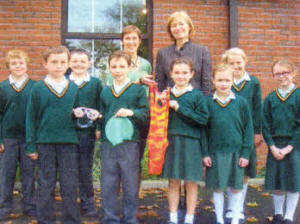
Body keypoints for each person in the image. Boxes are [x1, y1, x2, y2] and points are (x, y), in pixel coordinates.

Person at [26, 46, 82, 223]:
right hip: (45, 143)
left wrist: (77, 116)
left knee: (70, 184)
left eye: (63, 62)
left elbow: (77, 116)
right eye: (54, 62)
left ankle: (71, 219)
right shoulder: (38, 88)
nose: (59, 66)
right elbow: (31, 118)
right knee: (45, 183)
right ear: (45, 64)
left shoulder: (73, 88)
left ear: (68, 65)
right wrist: (31, 145)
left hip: (68, 143)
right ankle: (45, 219)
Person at [99, 50, 149, 224]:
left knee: (129, 182)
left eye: (122, 66)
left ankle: (130, 218)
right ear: (109, 68)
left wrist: (132, 112)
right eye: (114, 66)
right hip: (108, 143)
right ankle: (110, 217)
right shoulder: (105, 91)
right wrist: (98, 123)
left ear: (129, 68)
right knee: (108, 182)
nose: (118, 70)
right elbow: (102, 114)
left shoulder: (137, 90)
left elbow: (145, 114)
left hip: (130, 142)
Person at [203, 64, 253, 224]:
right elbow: (203, 131)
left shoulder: (241, 102)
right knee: (218, 186)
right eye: (220, 80)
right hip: (216, 152)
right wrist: (205, 153)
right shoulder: (208, 103)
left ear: (233, 81)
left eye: (227, 80)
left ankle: (235, 218)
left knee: (236, 186)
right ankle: (219, 218)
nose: (223, 83)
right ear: (213, 80)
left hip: (236, 152)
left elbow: (248, 130)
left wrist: (246, 153)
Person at [162, 58, 208, 224]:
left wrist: (179, 108)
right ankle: (173, 218)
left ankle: (189, 218)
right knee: (173, 182)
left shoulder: (197, 95)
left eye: (184, 73)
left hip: (191, 143)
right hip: (171, 142)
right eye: (177, 72)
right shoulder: (166, 94)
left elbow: (202, 120)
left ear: (191, 74)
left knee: (191, 183)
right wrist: (160, 104)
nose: (180, 76)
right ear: (171, 74)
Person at [221, 47, 263, 223]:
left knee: (243, 170)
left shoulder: (253, 82)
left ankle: (239, 208)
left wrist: (257, 132)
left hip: (246, 134)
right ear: (226, 65)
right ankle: (230, 207)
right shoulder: (224, 82)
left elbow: (257, 108)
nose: (236, 66)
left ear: (245, 62)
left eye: (239, 62)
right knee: (230, 170)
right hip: (227, 134)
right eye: (231, 63)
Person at [262, 59, 300, 224]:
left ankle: (289, 216)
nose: (282, 76)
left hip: (295, 145)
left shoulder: (298, 95)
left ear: (293, 73)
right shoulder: (270, 98)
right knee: (277, 181)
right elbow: (265, 124)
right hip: (275, 145)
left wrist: (289, 147)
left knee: (293, 181)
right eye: (278, 73)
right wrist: (271, 146)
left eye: (285, 73)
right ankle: (278, 214)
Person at [0, 50, 36, 220]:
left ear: (27, 64)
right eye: (14, 63)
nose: (18, 66)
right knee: (7, 173)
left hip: (28, 138)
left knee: (29, 173)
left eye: (21, 63)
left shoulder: (35, 86)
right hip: (8, 138)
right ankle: (5, 207)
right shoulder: (2, 87)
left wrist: (35, 140)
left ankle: (29, 206)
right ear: (9, 66)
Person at [69, 49, 102, 217]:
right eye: (75, 61)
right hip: (68, 133)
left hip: (87, 133)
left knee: (85, 168)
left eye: (83, 61)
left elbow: (100, 105)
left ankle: (88, 202)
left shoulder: (95, 83)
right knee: (69, 169)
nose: (79, 64)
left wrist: (98, 128)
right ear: (69, 63)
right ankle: (70, 203)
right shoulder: (65, 82)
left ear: (89, 64)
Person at [155, 11, 211, 95]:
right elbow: (160, 83)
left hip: (195, 104)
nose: (178, 28)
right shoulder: (162, 53)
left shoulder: (202, 51)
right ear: (170, 30)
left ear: (189, 27)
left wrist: (204, 105)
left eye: (181, 24)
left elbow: (207, 83)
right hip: (170, 102)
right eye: (174, 25)